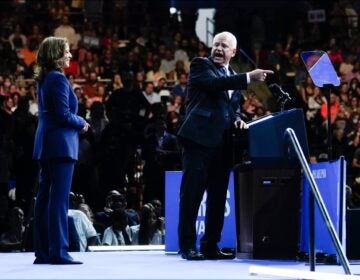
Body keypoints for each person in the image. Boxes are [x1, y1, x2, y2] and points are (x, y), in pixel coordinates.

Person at [177, 31, 273, 260]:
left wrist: (238, 118)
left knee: (218, 197)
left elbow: (233, 108)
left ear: (233, 52)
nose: (219, 49)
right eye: (216, 45)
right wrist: (249, 77)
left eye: (224, 46)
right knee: (192, 195)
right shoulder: (201, 65)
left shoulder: (233, 75)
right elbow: (214, 84)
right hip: (198, 140)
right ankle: (187, 246)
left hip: (223, 144)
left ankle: (210, 245)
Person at [32, 36, 90, 265]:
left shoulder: (46, 78)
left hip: (47, 144)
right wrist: (82, 123)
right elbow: (63, 115)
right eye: (66, 51)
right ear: (56, 54)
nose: (70, 55)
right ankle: (59, 252)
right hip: (60, 146)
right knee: (58, 201)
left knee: (45, 198)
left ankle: (44, 251)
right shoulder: (57, 79)